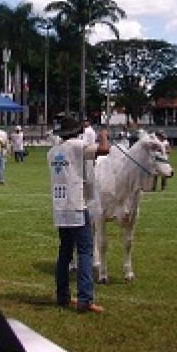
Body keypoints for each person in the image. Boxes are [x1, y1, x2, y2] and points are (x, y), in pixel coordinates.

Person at [49, 115, 109, 314]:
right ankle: (85, 299)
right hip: (76, 205)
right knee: (85, 252)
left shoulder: (52, 151)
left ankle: (63, 295)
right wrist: (104, 136)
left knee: (65, 251)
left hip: (60, 207)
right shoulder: (77, 145)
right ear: (77, 131)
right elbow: (104, 150)